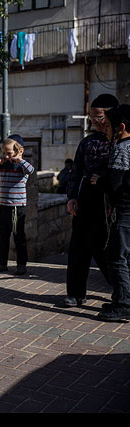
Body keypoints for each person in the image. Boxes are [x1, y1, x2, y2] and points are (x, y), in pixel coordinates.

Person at [58, 93, 118, 308]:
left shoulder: (122, 141)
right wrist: (72, 197)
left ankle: (121, 292)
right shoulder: (88, 142)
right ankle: (75, 293)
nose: (94, 121)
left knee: (106, 248)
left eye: (99, 117)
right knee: (78, 247)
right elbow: (77, 172)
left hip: (110, 202)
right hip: (86, 199)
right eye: (92, 117)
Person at [90, 105, 130, 321]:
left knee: (116, 257)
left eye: (108, 126)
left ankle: (123, 304)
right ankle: (120, 299)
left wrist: (100, 180)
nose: (105, 130)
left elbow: (115, 183)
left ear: (121, 127)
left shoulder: (124, 147)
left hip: (125, 211)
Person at [0, 134, 35, 275]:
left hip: (16, 207)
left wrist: (19, 160)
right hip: (4, 206)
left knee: (18, 236)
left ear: (19, 151)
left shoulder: (21, 166)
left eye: (9, 153)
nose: (6, 156)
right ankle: (2, 263)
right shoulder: (3, 165)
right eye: (4, 153)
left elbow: (31, 170)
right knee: (3, 236)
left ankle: (21, 265)